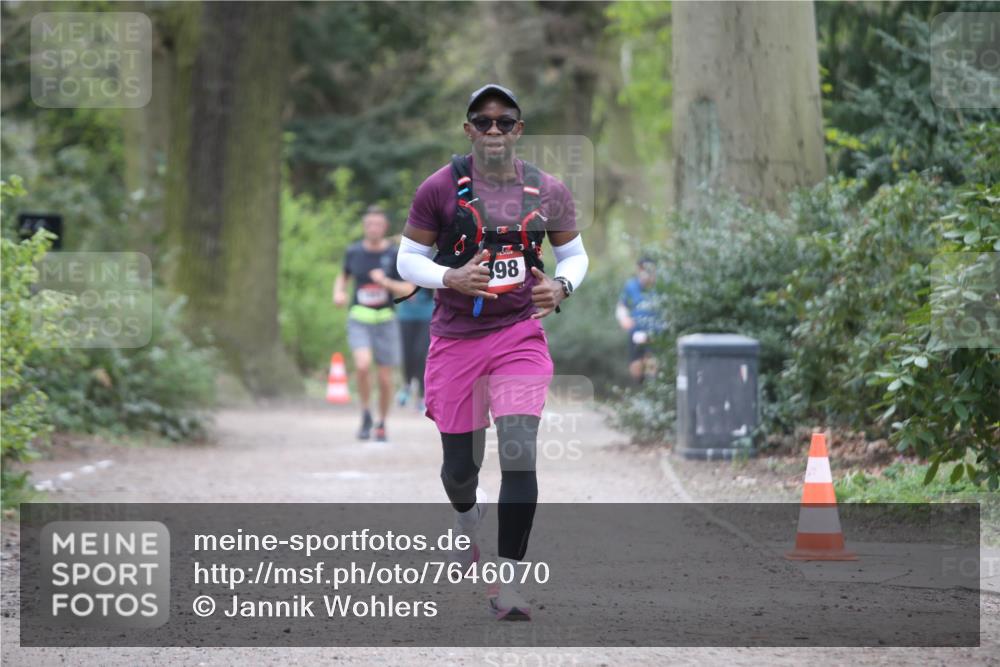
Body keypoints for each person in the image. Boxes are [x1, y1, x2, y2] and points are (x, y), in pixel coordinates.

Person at [396, 84, 589, 620]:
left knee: (519, 451)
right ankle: (466, 515)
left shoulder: (548, 191)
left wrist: (563, 287)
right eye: (484, 122)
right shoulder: (440, 187)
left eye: (506, 122)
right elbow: (406, 260)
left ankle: (508, 583)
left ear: (519, 130)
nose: (495, 130)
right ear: (469, 130)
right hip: (456, 340)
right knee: (459, 470)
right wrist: (449, 276)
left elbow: (574, 256)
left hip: (519, 336)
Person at [333, 207, 413, 441]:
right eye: (369, 224)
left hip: (386, 320)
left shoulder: (394, 253)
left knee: (386, 379)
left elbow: (408, 289)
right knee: (363, 365)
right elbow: (343, 276)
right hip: (359, 317)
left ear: (384, 227)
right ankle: (366, 411)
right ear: (364, 226)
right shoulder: (354, 251)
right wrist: (339, 292)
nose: (373, 228)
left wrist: (386, 282)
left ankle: (382, 422)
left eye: (377, 225)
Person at [616, 257, 664, 384]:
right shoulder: (631, 286)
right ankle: (640, 387)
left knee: (652, 361)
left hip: (656, 332)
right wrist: (623, 318)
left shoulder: (661, 286)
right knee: (636, 366)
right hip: (636, 331)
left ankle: (652, 389)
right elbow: (622, 306)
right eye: (641, 269)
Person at [394, 285, 434, 411]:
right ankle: (407, 385)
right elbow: (390, 282)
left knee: (421, 354)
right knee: (407, 354)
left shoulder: (433, 264)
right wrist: (403, 290)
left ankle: (422, 395)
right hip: (406, 315)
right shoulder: (400, 266)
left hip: (426, 314)